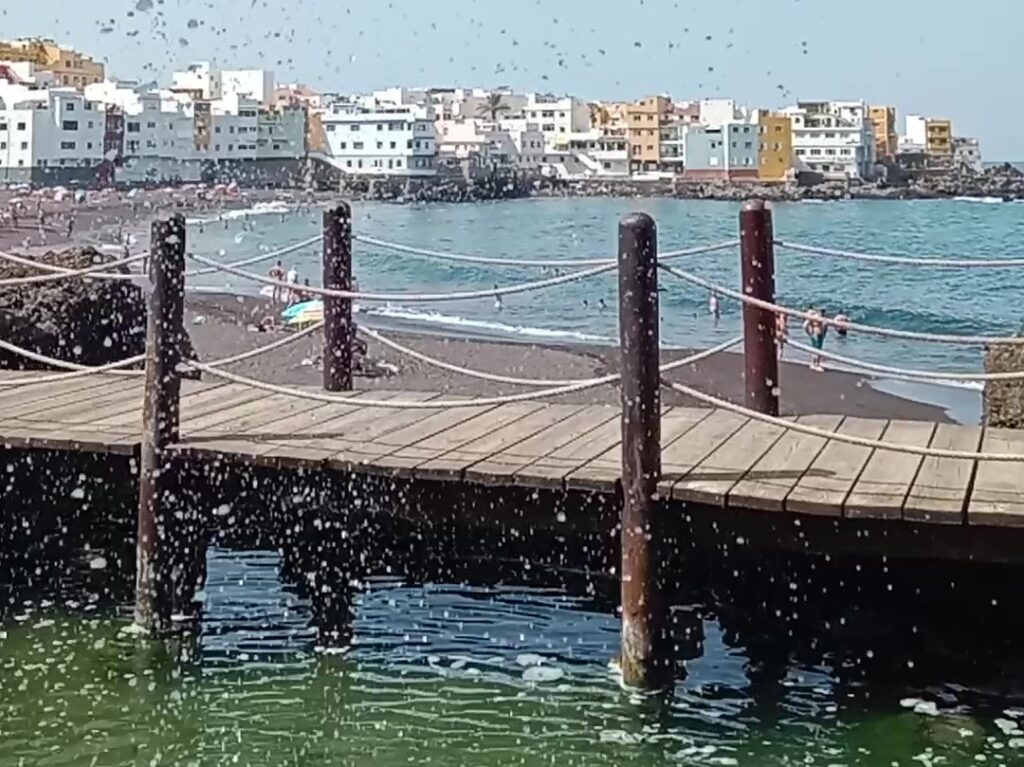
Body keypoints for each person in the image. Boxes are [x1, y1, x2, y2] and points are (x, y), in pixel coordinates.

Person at [803, 308, 827, 372]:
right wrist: (809, 332)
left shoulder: (823, 318)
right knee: (815, 349)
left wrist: (824, 334)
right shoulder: (815, 317)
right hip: (815, 334)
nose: (822, 313)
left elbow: (825, 327)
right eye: (821, 312)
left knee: (819, 349)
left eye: (823, 312)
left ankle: (817, 363)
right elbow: (805, 324)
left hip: (820, 334)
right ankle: (814, 364)